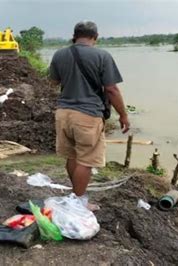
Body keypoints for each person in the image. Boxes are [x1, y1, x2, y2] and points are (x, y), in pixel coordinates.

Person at [49, 21, 130, 210]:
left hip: (63, 113)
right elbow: (111, 89)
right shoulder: (102, 55)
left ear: (75, 35)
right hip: (87, 115)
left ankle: (76, 196)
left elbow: (53, 81)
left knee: (72, 155)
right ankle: (78, 202)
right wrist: (123, 115)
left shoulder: (59, 54)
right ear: (95, 37)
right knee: (86, 160)